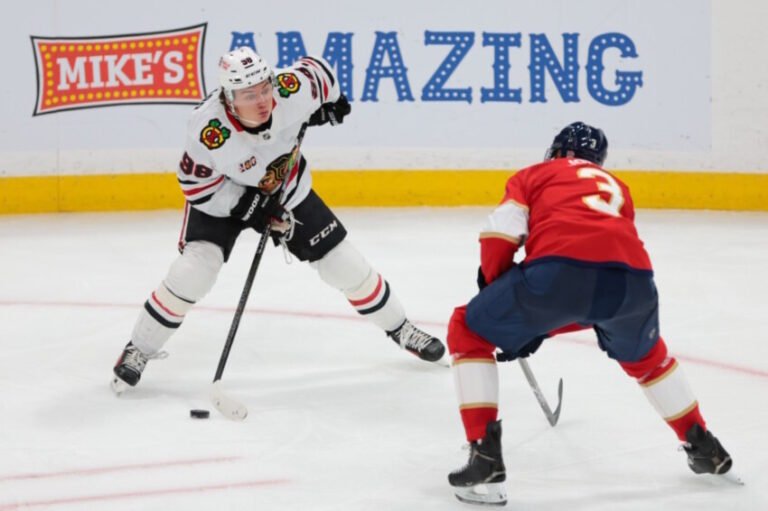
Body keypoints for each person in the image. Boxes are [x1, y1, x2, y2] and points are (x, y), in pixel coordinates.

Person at [111, 47, 446, 394]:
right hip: (222, 199)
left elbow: (320, 71)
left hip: (286, 190)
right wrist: (248, 206)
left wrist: (334, 100)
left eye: (264, 89)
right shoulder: (209, 130)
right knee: (194, 271)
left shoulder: (290, 90)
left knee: (343, 264)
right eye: (248, 95)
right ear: (229, 98)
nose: (261, 101)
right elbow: (195, 187)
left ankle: (401, 327)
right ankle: (139, 348)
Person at [445, 122, 733, 505]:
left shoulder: (534, 174)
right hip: (634, 283)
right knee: (647, 358)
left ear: (554, 150)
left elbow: (499, 235)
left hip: (558, 275)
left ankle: (485, 456)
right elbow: (597, 273)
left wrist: (499, 295)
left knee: (468, 328)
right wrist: (537, 327)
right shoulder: (618, 187)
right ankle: (703, 444)